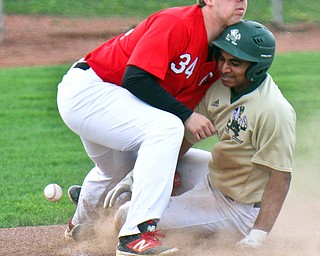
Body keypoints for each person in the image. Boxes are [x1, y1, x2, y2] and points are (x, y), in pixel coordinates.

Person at [82, 19, 296, 249]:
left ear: (257, 67)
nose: (224, 68)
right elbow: (185, 138)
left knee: (128, 217)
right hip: (215, 175)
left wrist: (258, 235)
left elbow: (280, 178)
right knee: (151, 162)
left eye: (235, 63)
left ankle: (180, 230)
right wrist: (136, 175)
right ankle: (87, 218)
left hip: (237, 209)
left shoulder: (274, 111)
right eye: (222, 58)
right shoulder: (223, 86)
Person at [57, 0, 247, 255]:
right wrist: (185, 116)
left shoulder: (217, 51)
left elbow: (166, 104)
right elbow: (135, 79)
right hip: (90, 89)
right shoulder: (177, 23)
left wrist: (165, 166)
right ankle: (136, 234)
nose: (242, 0)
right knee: (167, 127)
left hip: (116, 100)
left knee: (119, 169)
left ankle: (80, 223)